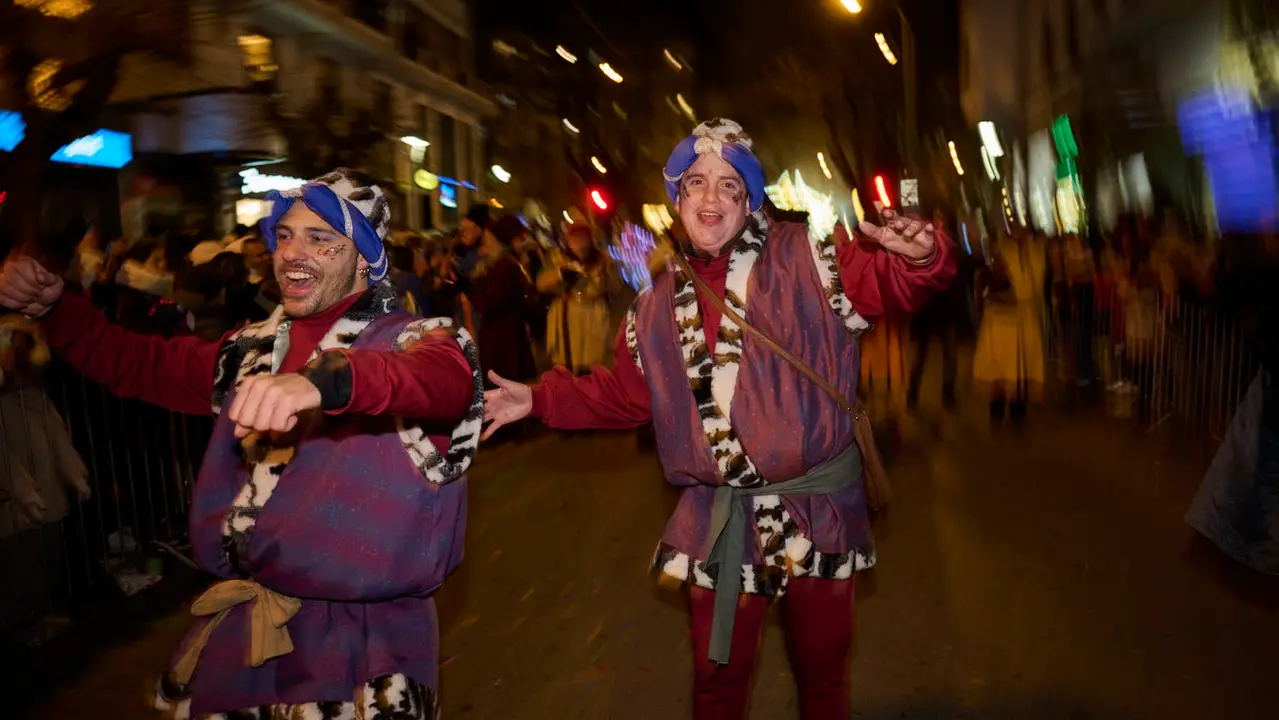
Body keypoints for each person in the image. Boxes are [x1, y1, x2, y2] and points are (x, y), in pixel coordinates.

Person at [483, 119, 955, 719]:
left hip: (819, 509)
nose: (710, 198)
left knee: (824, 679)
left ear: (748, 200)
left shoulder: (808, 260)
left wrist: (923, 256)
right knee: (716, 687)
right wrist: (538, 398)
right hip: (720, 517)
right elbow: (626, 396)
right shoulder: (653, 307)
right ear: (678, 200)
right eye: (696, 183)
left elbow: (891, 281)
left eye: (728, 185)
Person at [0, 168, 484, 718]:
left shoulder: (411, 341)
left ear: (366, 259)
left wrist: (328, 379)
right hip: (249, 636)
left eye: (322, 238)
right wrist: (57, 310)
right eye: (285, 235)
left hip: (366, 653)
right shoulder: (251, 350)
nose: (293, 253)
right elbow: (141, 365)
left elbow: (444, 380)